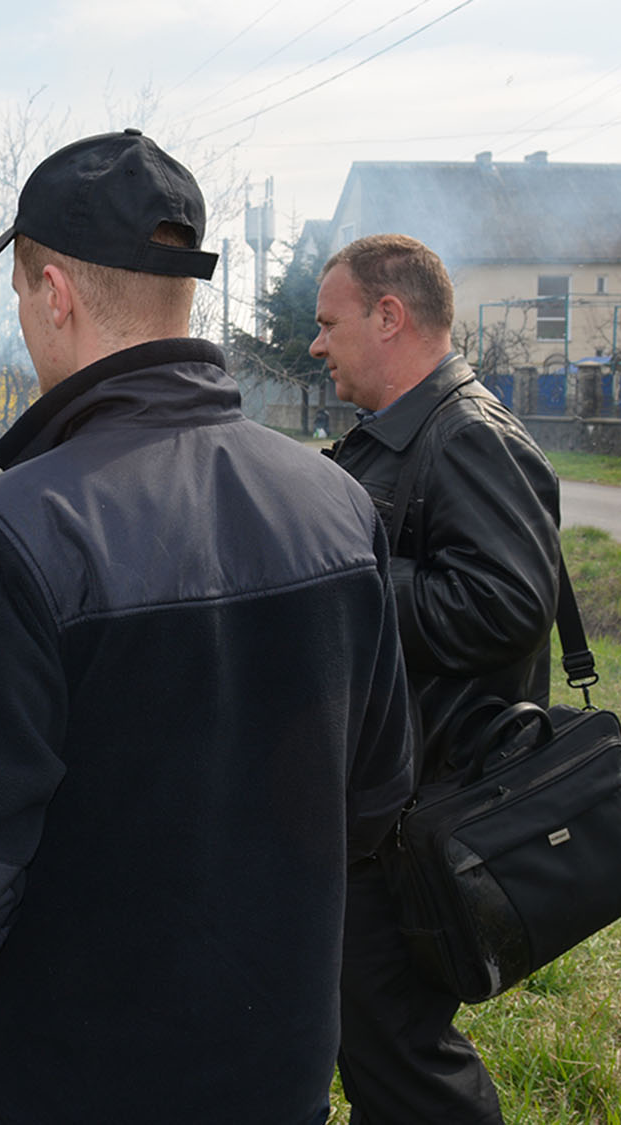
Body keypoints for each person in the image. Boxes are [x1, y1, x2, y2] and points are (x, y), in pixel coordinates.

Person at [0, 130, 416, 1125]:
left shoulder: (18, 529)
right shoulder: (335, 503)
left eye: (23, 299)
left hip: (86, 1082)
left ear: (55, 296)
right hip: (280, 1072)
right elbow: (376, 797)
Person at [314, 233, 562, 1124]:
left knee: (397, 1046)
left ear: (390, 316)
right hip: (390, 804)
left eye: (328, 321)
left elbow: (507, 602)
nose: (315, 343)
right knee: (374, 1033)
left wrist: (347, 583)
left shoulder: (466, 436)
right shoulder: (398, 436)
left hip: (427, 807)